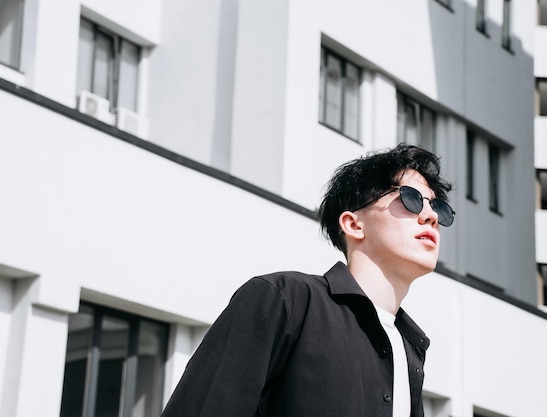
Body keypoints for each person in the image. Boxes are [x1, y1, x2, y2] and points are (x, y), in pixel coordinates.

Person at [160, 143, 454, 417]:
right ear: (353, 224)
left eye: (437, 207)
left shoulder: (410, 349)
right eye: (411, 199)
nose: (430, 216)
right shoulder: (284, 300)